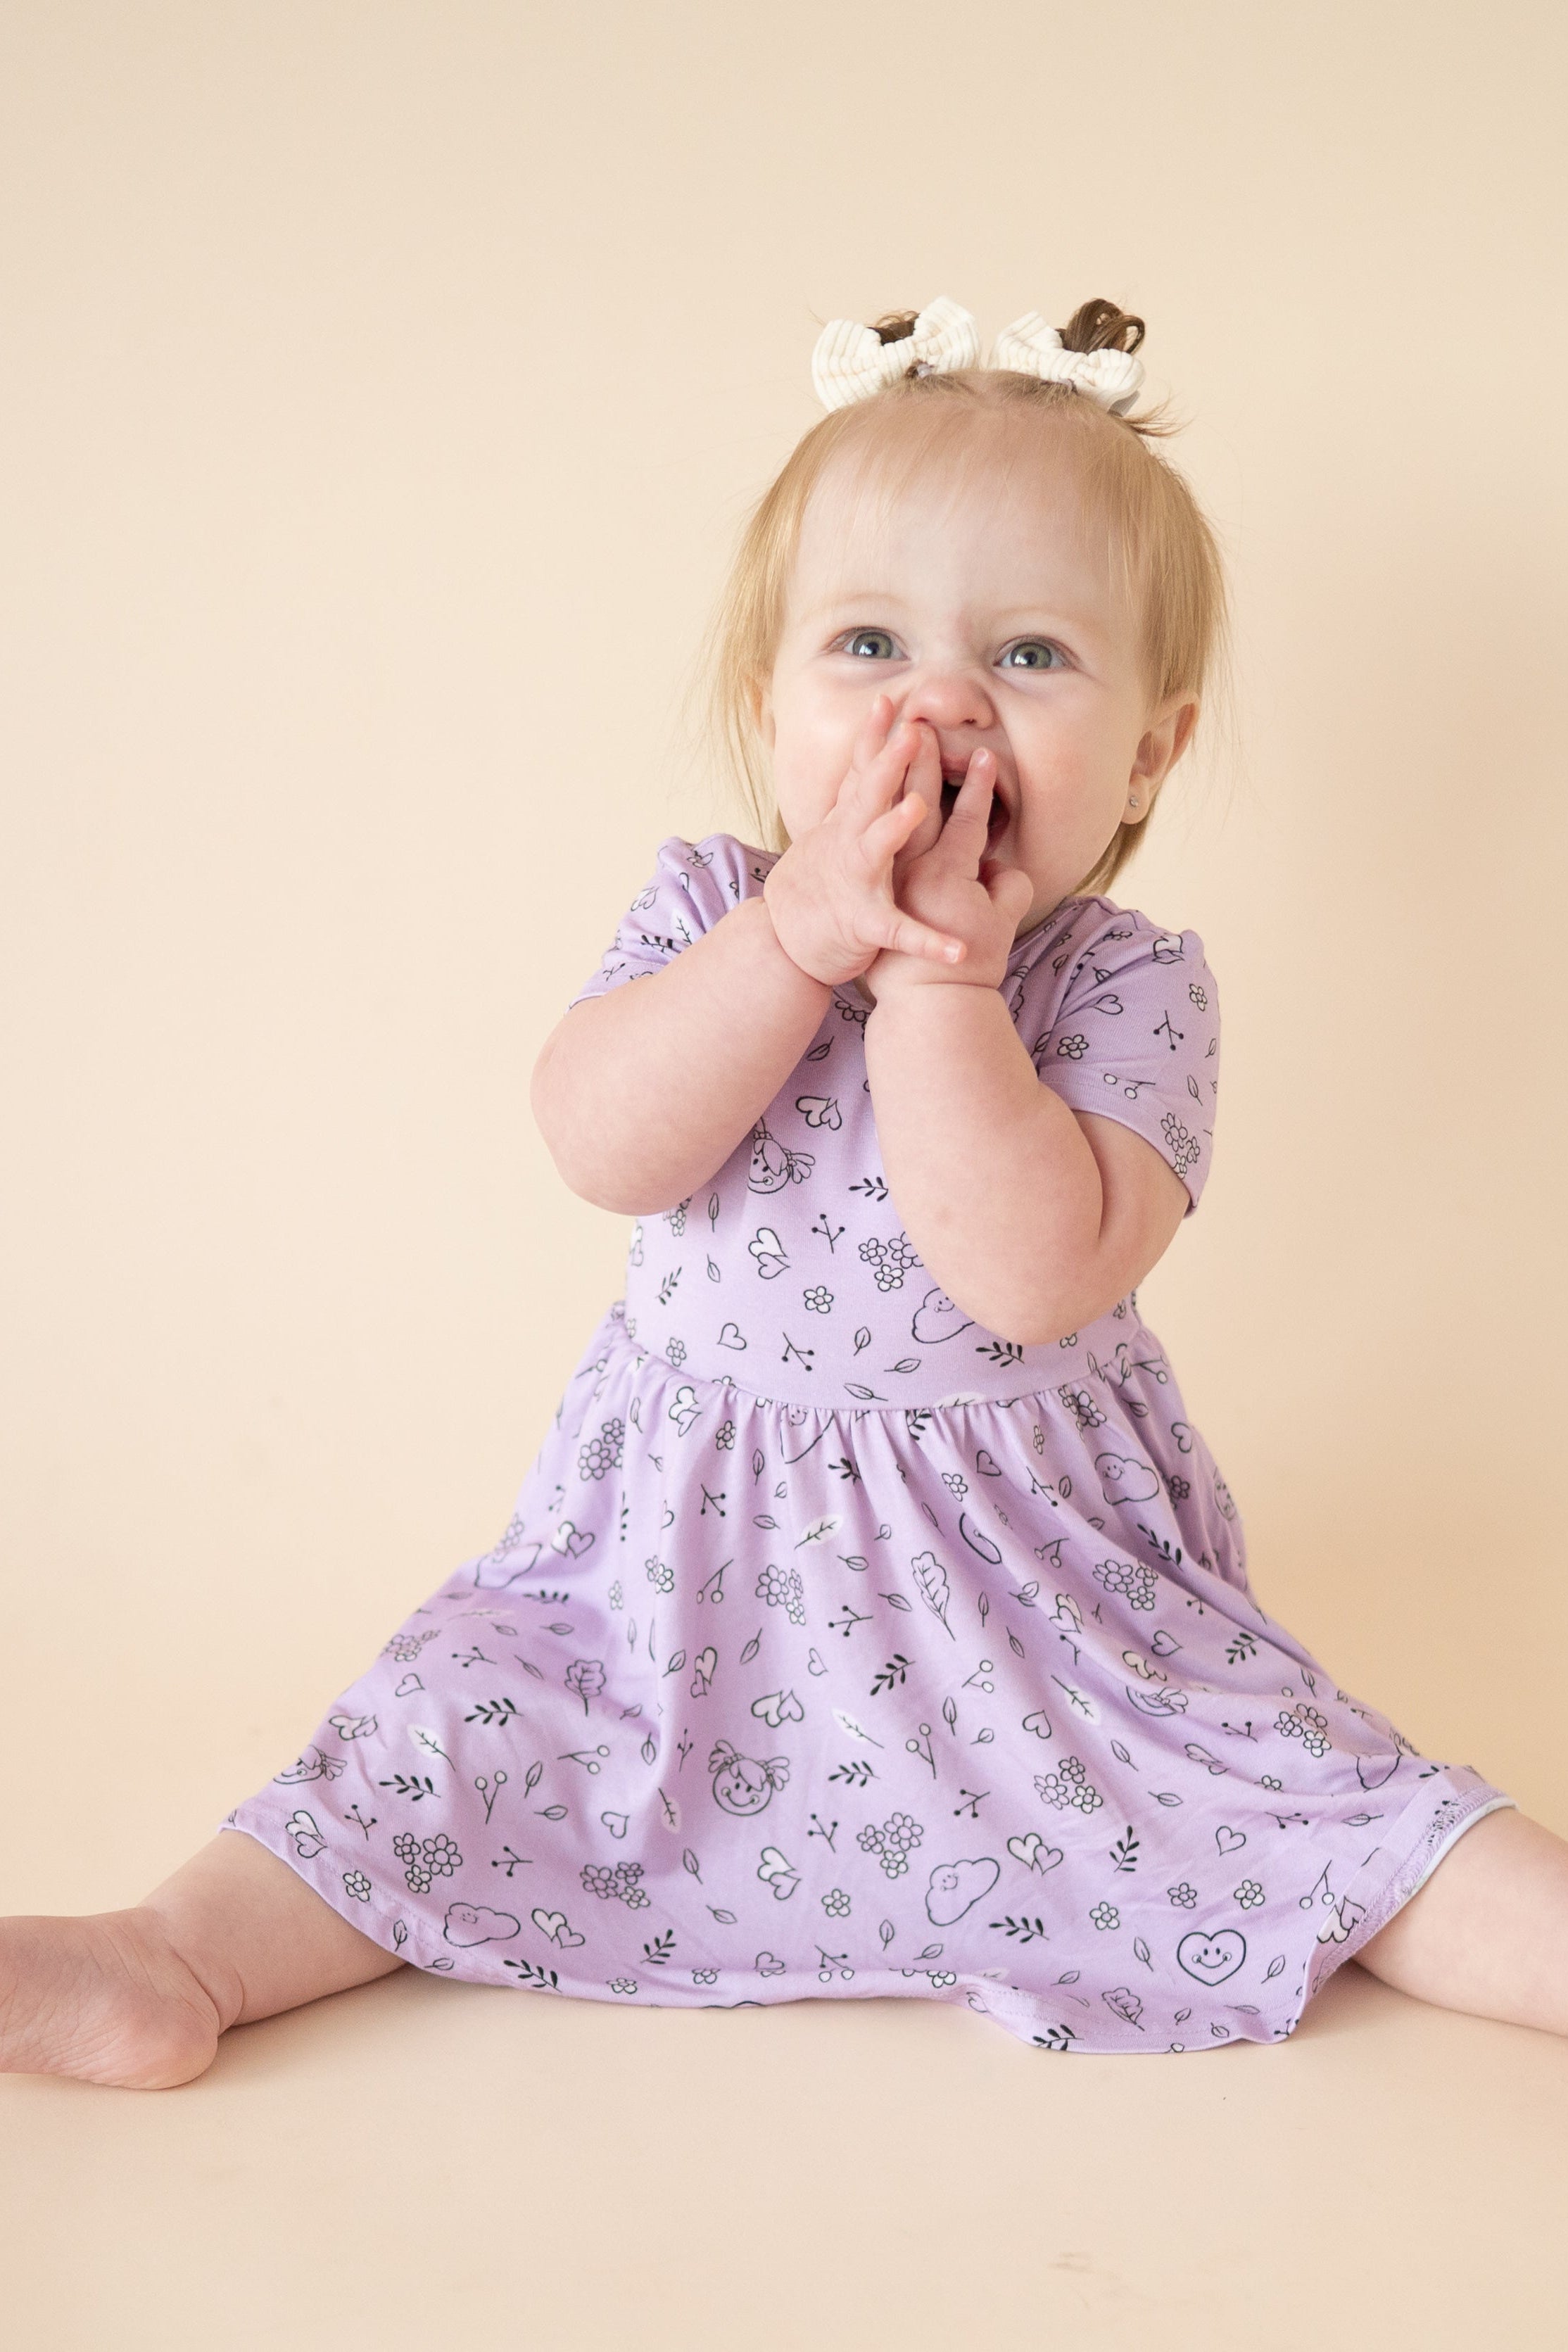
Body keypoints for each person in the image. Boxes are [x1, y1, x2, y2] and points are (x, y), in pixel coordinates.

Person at [6, 296, 1565, 2087]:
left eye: (1035, 656)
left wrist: (939, 986)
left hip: (1041, 1621)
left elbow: (1032, 1273)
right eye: (869, 644)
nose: (942, 706)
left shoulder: (1126, 991)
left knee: (1313, 1796)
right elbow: (601, 1143)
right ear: (771, 709)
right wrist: (797, 938)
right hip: (669, 1597)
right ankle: (172, 1961)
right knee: (446, 1738)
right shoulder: (708, 914)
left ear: (1149, 751)